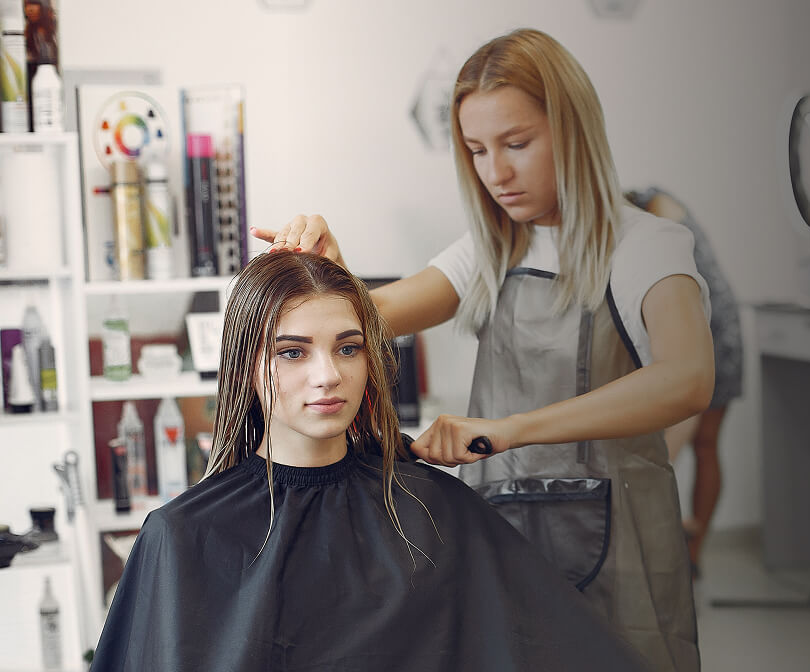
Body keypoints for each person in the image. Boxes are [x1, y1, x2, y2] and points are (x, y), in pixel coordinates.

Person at [253, 28, 713, 671]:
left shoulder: (649, 245)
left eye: (516, 144)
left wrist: (509, 431)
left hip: (622, 546)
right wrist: (330, 271)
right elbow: (367, 316)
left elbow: (688, 379)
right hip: (505, 534)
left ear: (573, 129)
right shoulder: (494, 251)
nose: (495, 172)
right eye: (475, 150)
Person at [88, 252, 651, 671]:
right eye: (292, 351)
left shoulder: (435, 509)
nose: (329, 375)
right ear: (244, 367)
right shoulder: (183, 535)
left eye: (348, 347)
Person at [626, 187, 744, 575]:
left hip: (714, 332)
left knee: (697, 447)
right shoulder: (653, 211)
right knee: (686, 450)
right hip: (700, 330)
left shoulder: (657, 217)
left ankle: (693, 553)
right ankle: (680, 547)